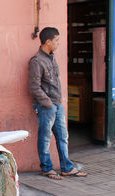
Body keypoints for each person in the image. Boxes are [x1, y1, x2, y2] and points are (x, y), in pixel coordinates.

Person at [29, 27, 86, 180]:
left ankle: (67, 168)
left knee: (62, 136)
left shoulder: (51, 57)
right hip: (46, 106)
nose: (58, 43)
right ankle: (46, 168)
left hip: (57, 105)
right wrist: (48, 104)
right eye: (57, 41)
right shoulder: (36, 61)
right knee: (45, 137)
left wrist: (57, 103)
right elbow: (34, 87)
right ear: (48, 42)